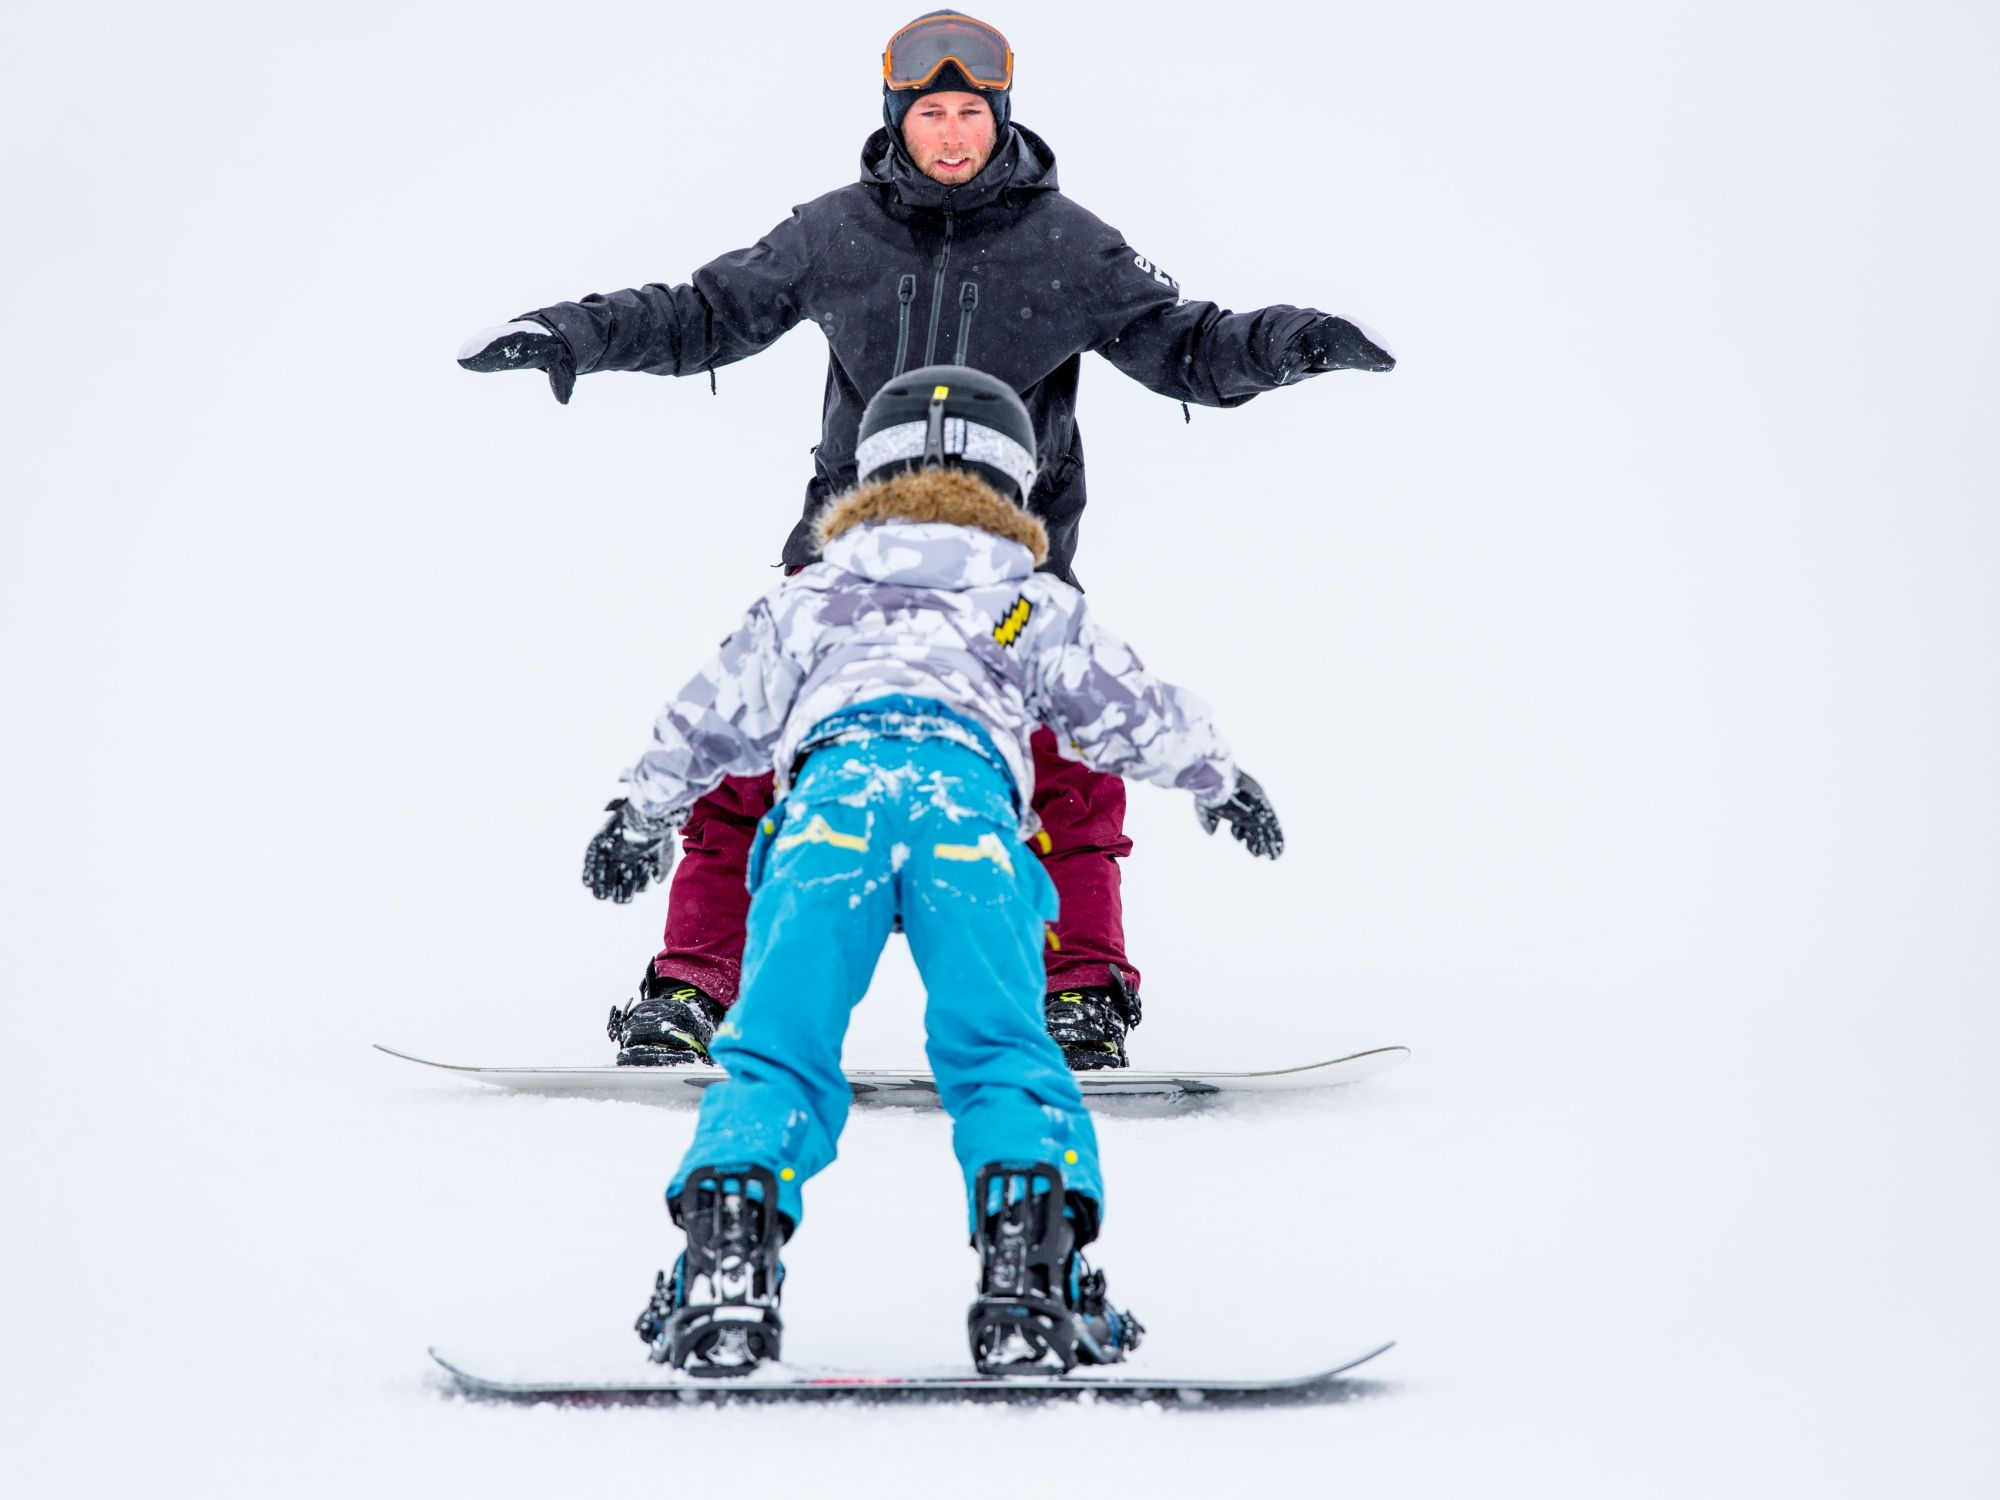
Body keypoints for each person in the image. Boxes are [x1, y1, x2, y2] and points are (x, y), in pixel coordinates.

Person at [464, 10, 1387, 1069]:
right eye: (931, 113)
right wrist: (572, 333)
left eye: (969, 113)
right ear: (897, 118)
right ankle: (687, 987)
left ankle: (1081, 994)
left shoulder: (1069, 245)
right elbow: (702, 313)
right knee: (745, 762)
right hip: (847, 561)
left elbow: (1188, 347)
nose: (952, 134)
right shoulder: (833, 233)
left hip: (1011, 570)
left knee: (1068, 773)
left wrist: (1292, 342)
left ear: (1002, 116)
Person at [582, 367, 1282, 1376]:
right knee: (1001, 1051)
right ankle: (1031, 1282)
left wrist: (640, 811)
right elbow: (1126, 709)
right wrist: (1218, 777)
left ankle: (727, 1271)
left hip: (830, 819)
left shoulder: (813, 597)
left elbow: (710, 715)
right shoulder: (1023, 601)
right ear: (1015, 482)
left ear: (866, 476)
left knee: (777, 1052)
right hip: (966, 824)